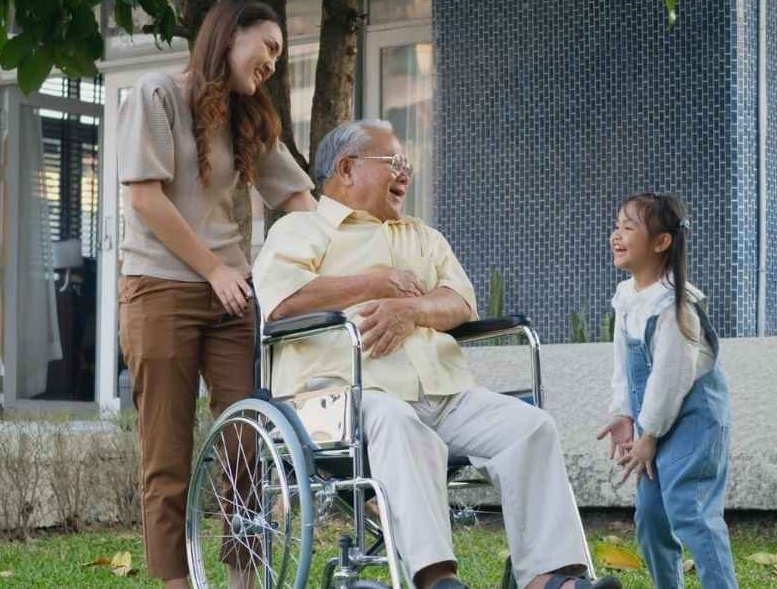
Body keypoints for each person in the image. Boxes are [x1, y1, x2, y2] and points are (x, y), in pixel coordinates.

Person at [254, 119, 620, 589]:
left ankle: (550, 577)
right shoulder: (300, 230)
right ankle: (436, 579)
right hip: (340, 397)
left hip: (440, 389)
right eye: (394, 163)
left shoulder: (421, 235)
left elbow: (461, 301)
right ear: (346, 169)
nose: (406, 174)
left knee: (529, 427)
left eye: (407, 164)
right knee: (398, 422)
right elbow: (281, 303)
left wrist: (412, 310)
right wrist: (373, 282)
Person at [116, 0, 316, 587]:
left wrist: (345, 248)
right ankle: (177, 581)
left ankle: (242, 579)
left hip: (233, 298)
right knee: (168, 453)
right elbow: (146, 197)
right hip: (160, 290)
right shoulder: (157, 94)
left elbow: (300, 201)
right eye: (269, 47)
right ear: (230, 36)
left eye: (280, 55)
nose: (274, 63)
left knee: (247, 440)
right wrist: (214, 271)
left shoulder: (248, 117)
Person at [597, 192, 738, 589]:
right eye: (617, 225)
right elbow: (624, 364)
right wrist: (623, 413)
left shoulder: (674, 308)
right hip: (653, 426)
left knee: (690, 513)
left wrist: (650, 435)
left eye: (629, 227)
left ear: (661, 243)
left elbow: (670, 380)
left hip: (692, 423)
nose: (616, 235)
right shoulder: (629, 299)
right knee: (651, 518)